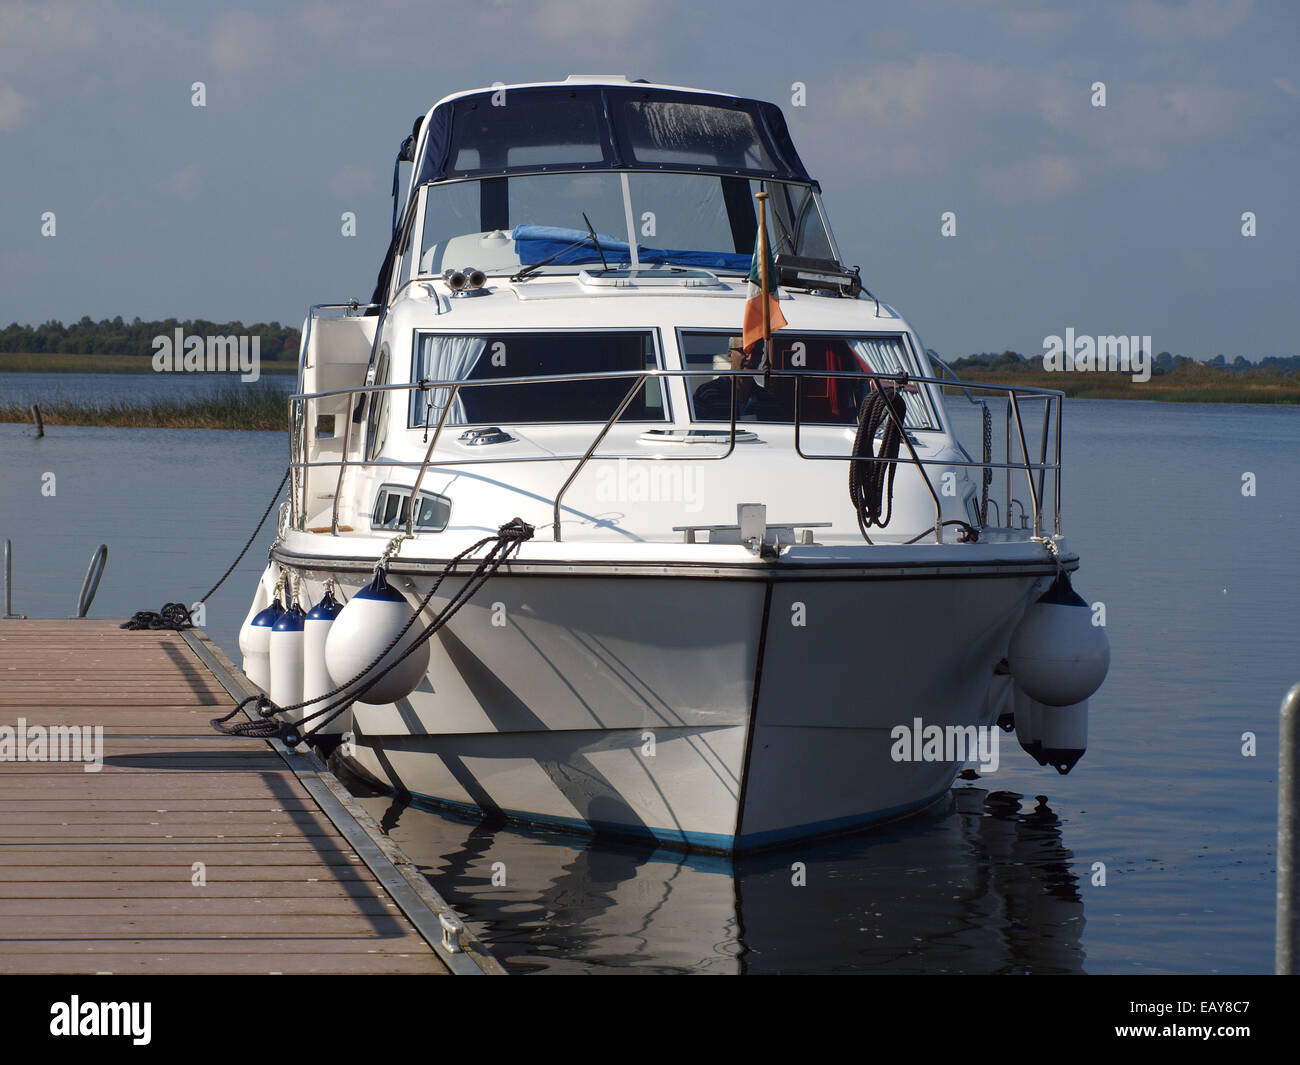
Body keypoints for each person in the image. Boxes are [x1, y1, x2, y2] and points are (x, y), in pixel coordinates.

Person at [692, 337, 783, 421]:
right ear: (729, 354)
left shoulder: (768, 400)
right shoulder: (707, 394)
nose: (750, 357)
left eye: (756, 352)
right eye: (744, 351)